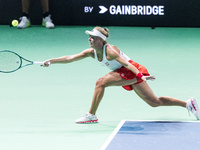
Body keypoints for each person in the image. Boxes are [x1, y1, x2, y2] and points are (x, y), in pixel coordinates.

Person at [42, 26, 200, 123]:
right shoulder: (91, 52)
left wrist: (140, 76)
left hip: (132, 70)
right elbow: (70, 58)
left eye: (93, 37)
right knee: (154, 102)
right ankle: (187, 104)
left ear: (101, 40)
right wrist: (51, 60)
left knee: (100, 82)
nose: (89, 39)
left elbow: (126, 64)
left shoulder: (110, 51)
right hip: (124, 73)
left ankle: (91, 115)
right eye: (89, 37)